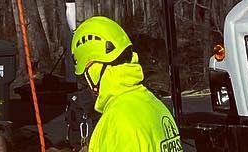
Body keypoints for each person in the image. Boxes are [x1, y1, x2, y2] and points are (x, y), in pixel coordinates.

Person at [71, 15, 181, 152]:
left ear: (93, 68)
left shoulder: (116, 123)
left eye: (85, 76)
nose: (87, 85)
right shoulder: (156, 106)